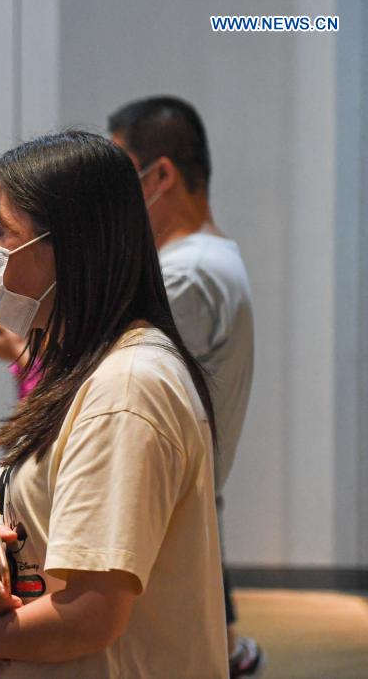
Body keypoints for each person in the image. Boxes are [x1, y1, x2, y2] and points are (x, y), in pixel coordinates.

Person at [0, 131, 227, 677]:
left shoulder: (125, 388)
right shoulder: (90, 365)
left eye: (2, 234)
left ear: (67, 246)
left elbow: (89, 616)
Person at [108, 96, 259, 678]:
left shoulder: (187, 273)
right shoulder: (198, 263)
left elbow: (122, 383)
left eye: (123, 175)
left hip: (161, 506)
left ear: (161, 175)